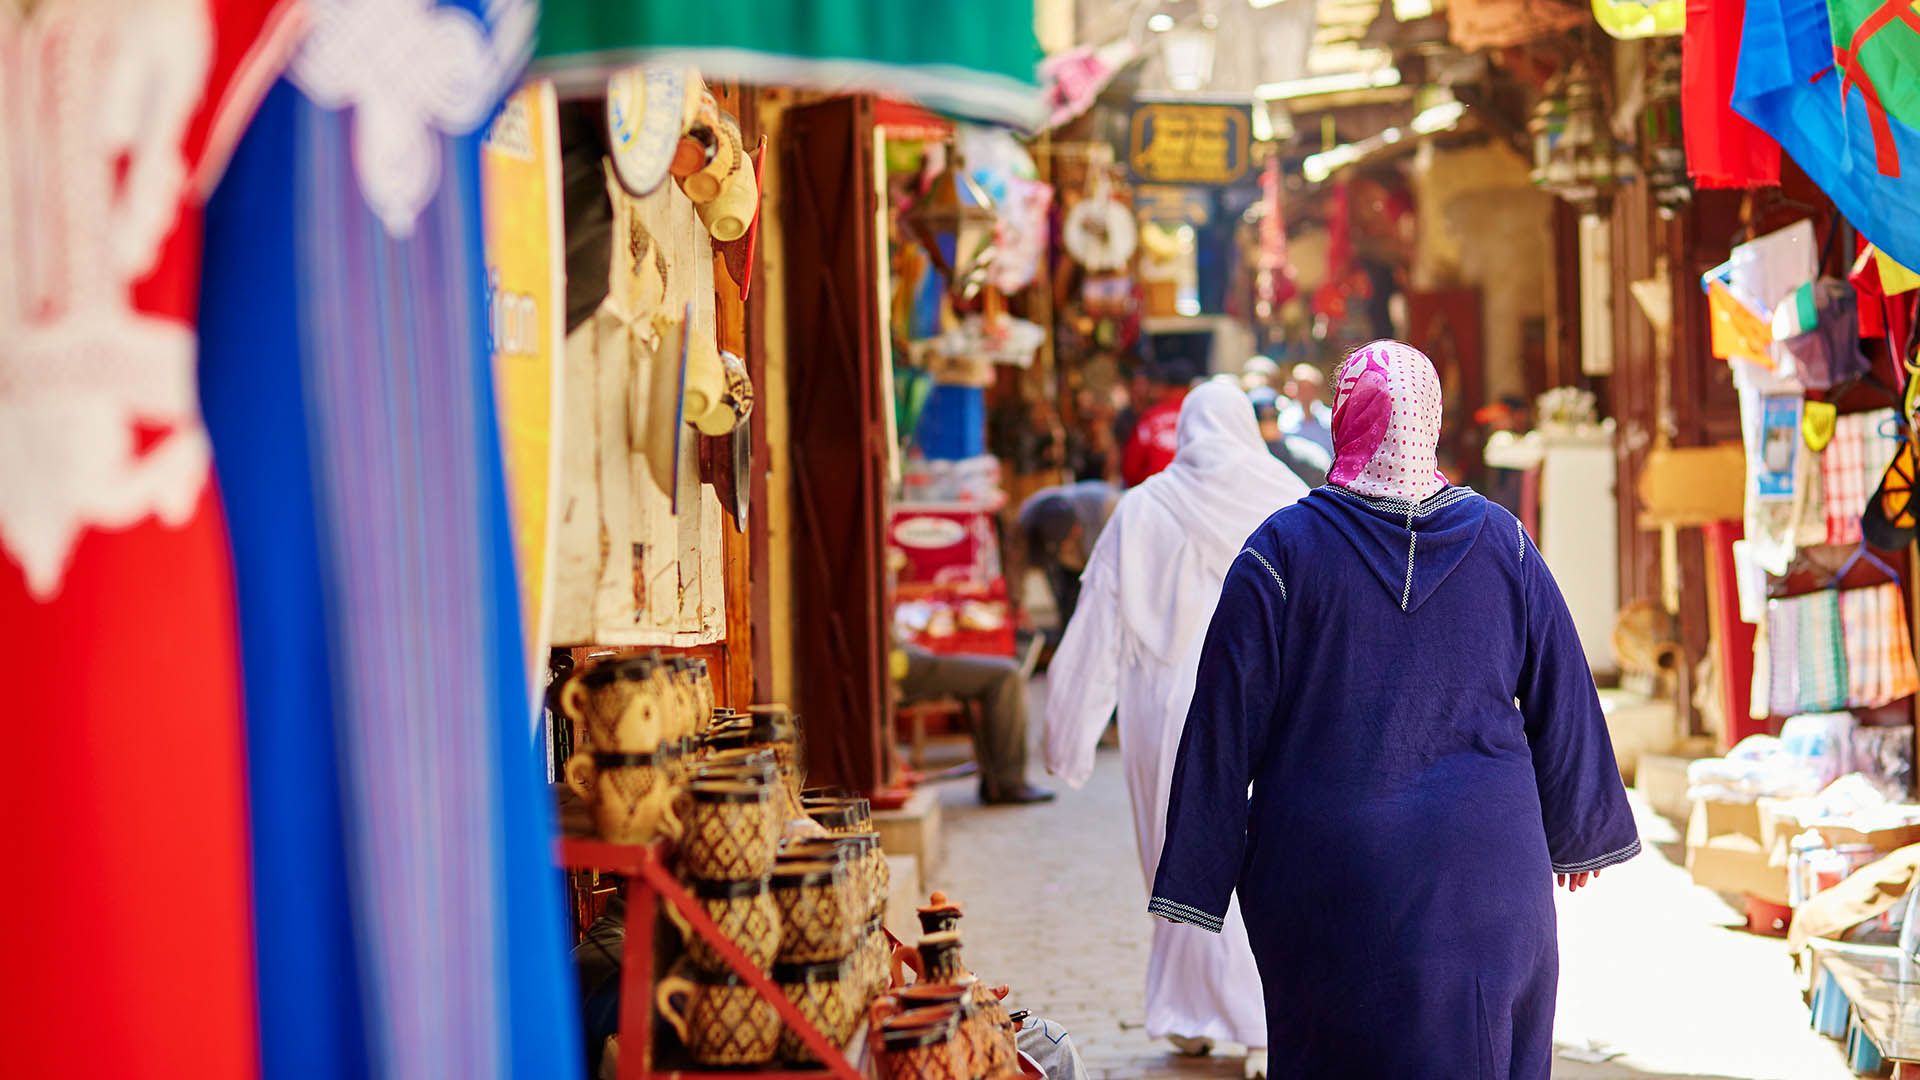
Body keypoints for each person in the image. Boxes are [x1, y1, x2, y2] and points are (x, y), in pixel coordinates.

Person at [1149, 341, 1638, 1080]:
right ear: (1431, 419)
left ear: (1348, 417)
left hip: (1331, 884)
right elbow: (1563, 691)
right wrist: (1579, 833)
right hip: (1489, 881)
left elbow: (1223, 727)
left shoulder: (1281, 551)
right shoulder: (1503, 542)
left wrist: (1196, 875)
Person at [1045, 382, 1309, 1079]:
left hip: (1165, 710)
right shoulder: (1286, 500)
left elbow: (1097, 622)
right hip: (1265, 705)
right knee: (1260, 858)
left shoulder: (1143, 508)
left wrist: (1066, 738)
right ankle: (1223, 1017)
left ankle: (1218, 1017)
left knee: (1179, 858)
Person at [899, 643, 1054, 805]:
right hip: (898, 666)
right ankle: (1007, 783)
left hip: (901, 657)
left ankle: (997, 780)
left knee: (1002, 668)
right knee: (1006, 674)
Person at [1012, 480, 1120, 628]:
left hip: (1102, 558)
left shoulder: (1111, 508)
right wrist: (1017, 604)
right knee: (1067, 605)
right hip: (1074, 559)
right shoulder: (1029, 517)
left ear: (1076, 529)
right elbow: (1015, 562)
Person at [1120, 363, 1190, 487]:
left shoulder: (1150, 418)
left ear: (1165, 386)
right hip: (1193, 496)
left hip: (1154, 494)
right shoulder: (1199, 417)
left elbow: (1130, 470)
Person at [1250, 385, 1330, 488]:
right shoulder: (1246, 460)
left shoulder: (1308, 456)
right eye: (1262, 417)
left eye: (1273, 415)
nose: (1269, 423)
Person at [1277, 361, 1334, 457]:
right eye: (1301, 387)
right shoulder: (1284, 419)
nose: (1305, 392)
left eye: (1309, 387)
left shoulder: (1329, 419)